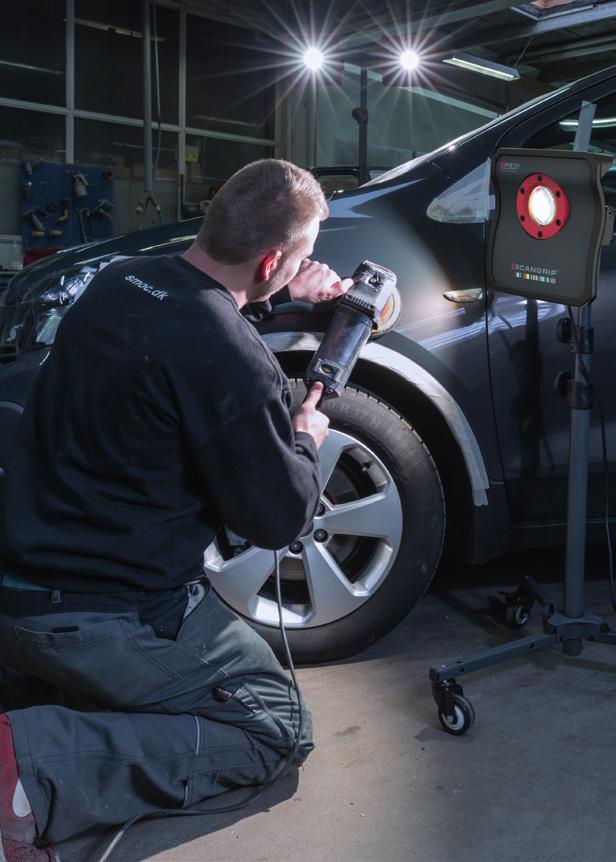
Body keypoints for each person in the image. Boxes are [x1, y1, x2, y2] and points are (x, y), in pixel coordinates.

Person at [0, 159, 352, 859]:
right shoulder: (230, 355)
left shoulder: (116, 282)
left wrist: (274, 295)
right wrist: (306, 437)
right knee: (274, 728)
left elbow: (192, 325)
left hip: (18, 591)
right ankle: (23, 766)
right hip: (106, 616)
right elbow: (277, 519)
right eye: (302, 257)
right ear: (274, 257)